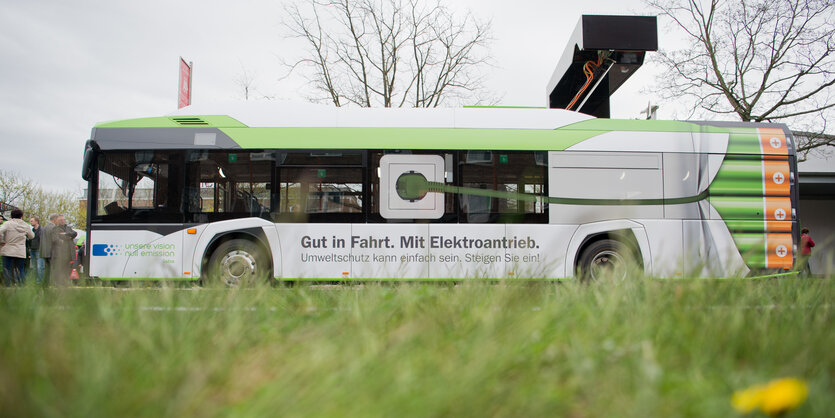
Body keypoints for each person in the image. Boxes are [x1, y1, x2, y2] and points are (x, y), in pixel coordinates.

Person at [0, 209, 35, 286]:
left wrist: (2, 240)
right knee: (20, 269)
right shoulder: (25, 225)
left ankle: (8, 286)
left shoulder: (8, 224)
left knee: (7, 269)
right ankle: (21, 286)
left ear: (11, 216)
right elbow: (32, 236)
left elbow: (0, 231)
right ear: (21, 216)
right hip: (20, 250)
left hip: (8, 248)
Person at [49, 214, 77, 287]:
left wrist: (65, 234)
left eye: (63, 220)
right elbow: (56, 238)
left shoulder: (68, 228)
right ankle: (58, 283)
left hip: (69, 252)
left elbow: (74, 233)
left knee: (67, 269)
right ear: (58, 221)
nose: (62, 221)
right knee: (60, 269)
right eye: (60, 220)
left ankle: (66, 282)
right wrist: (68, 236)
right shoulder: (55, 229)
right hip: (60, 252)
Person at [40, 213, 58, 285]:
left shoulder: (44, 228)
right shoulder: (54, 227)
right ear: (54, 219)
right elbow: (55, 239)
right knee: (53, 269)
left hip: (45, 251)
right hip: (52, 251)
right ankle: (52, 283)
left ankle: (45, 283)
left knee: (47, 269)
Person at [28, 216, 45, 283]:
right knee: (34, 267)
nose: (30, 222)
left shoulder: (42, 230)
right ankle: (35, 281)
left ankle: (40, 281)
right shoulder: (32, 230)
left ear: (36, 221)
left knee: (39, 267)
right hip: (32, 249)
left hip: (39, 249)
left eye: (32, 221)